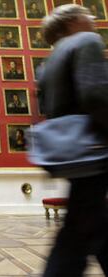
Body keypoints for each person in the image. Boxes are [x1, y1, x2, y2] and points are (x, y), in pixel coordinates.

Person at [38, 4, 108, 276]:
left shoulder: (48, 62)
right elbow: (95, 95)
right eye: (87, 13)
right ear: (73, 22)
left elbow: (50, 109)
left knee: (93, 222)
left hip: (70, 151)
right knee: (77, 232)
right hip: (94, 147)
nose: (92, 18)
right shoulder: (87, 40)